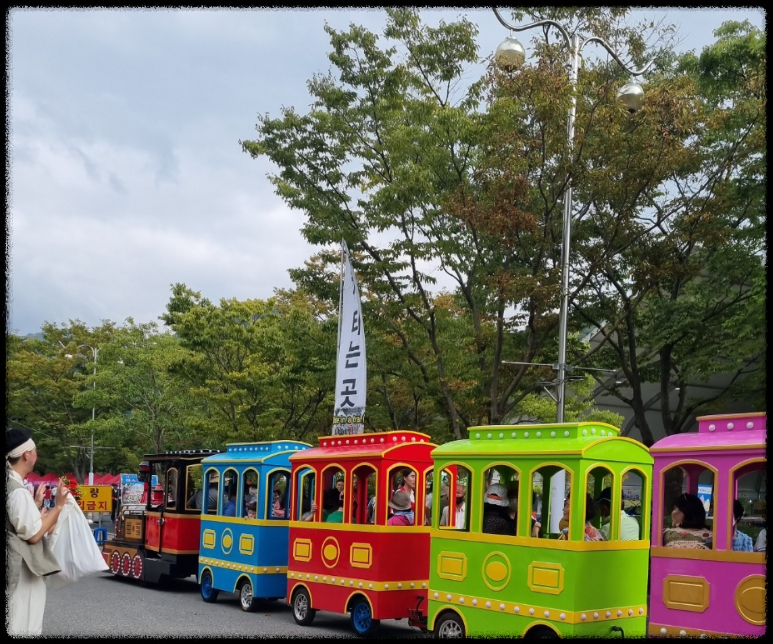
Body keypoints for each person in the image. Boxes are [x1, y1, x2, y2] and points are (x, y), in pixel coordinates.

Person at [6, 428, 68, 636]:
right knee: (22, 622)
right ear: (26, 455)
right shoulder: (17, 491)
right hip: (22, 570)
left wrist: (34, 505)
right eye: (35, 451)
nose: (36, 455)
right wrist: (58, 506)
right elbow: (33, 535)